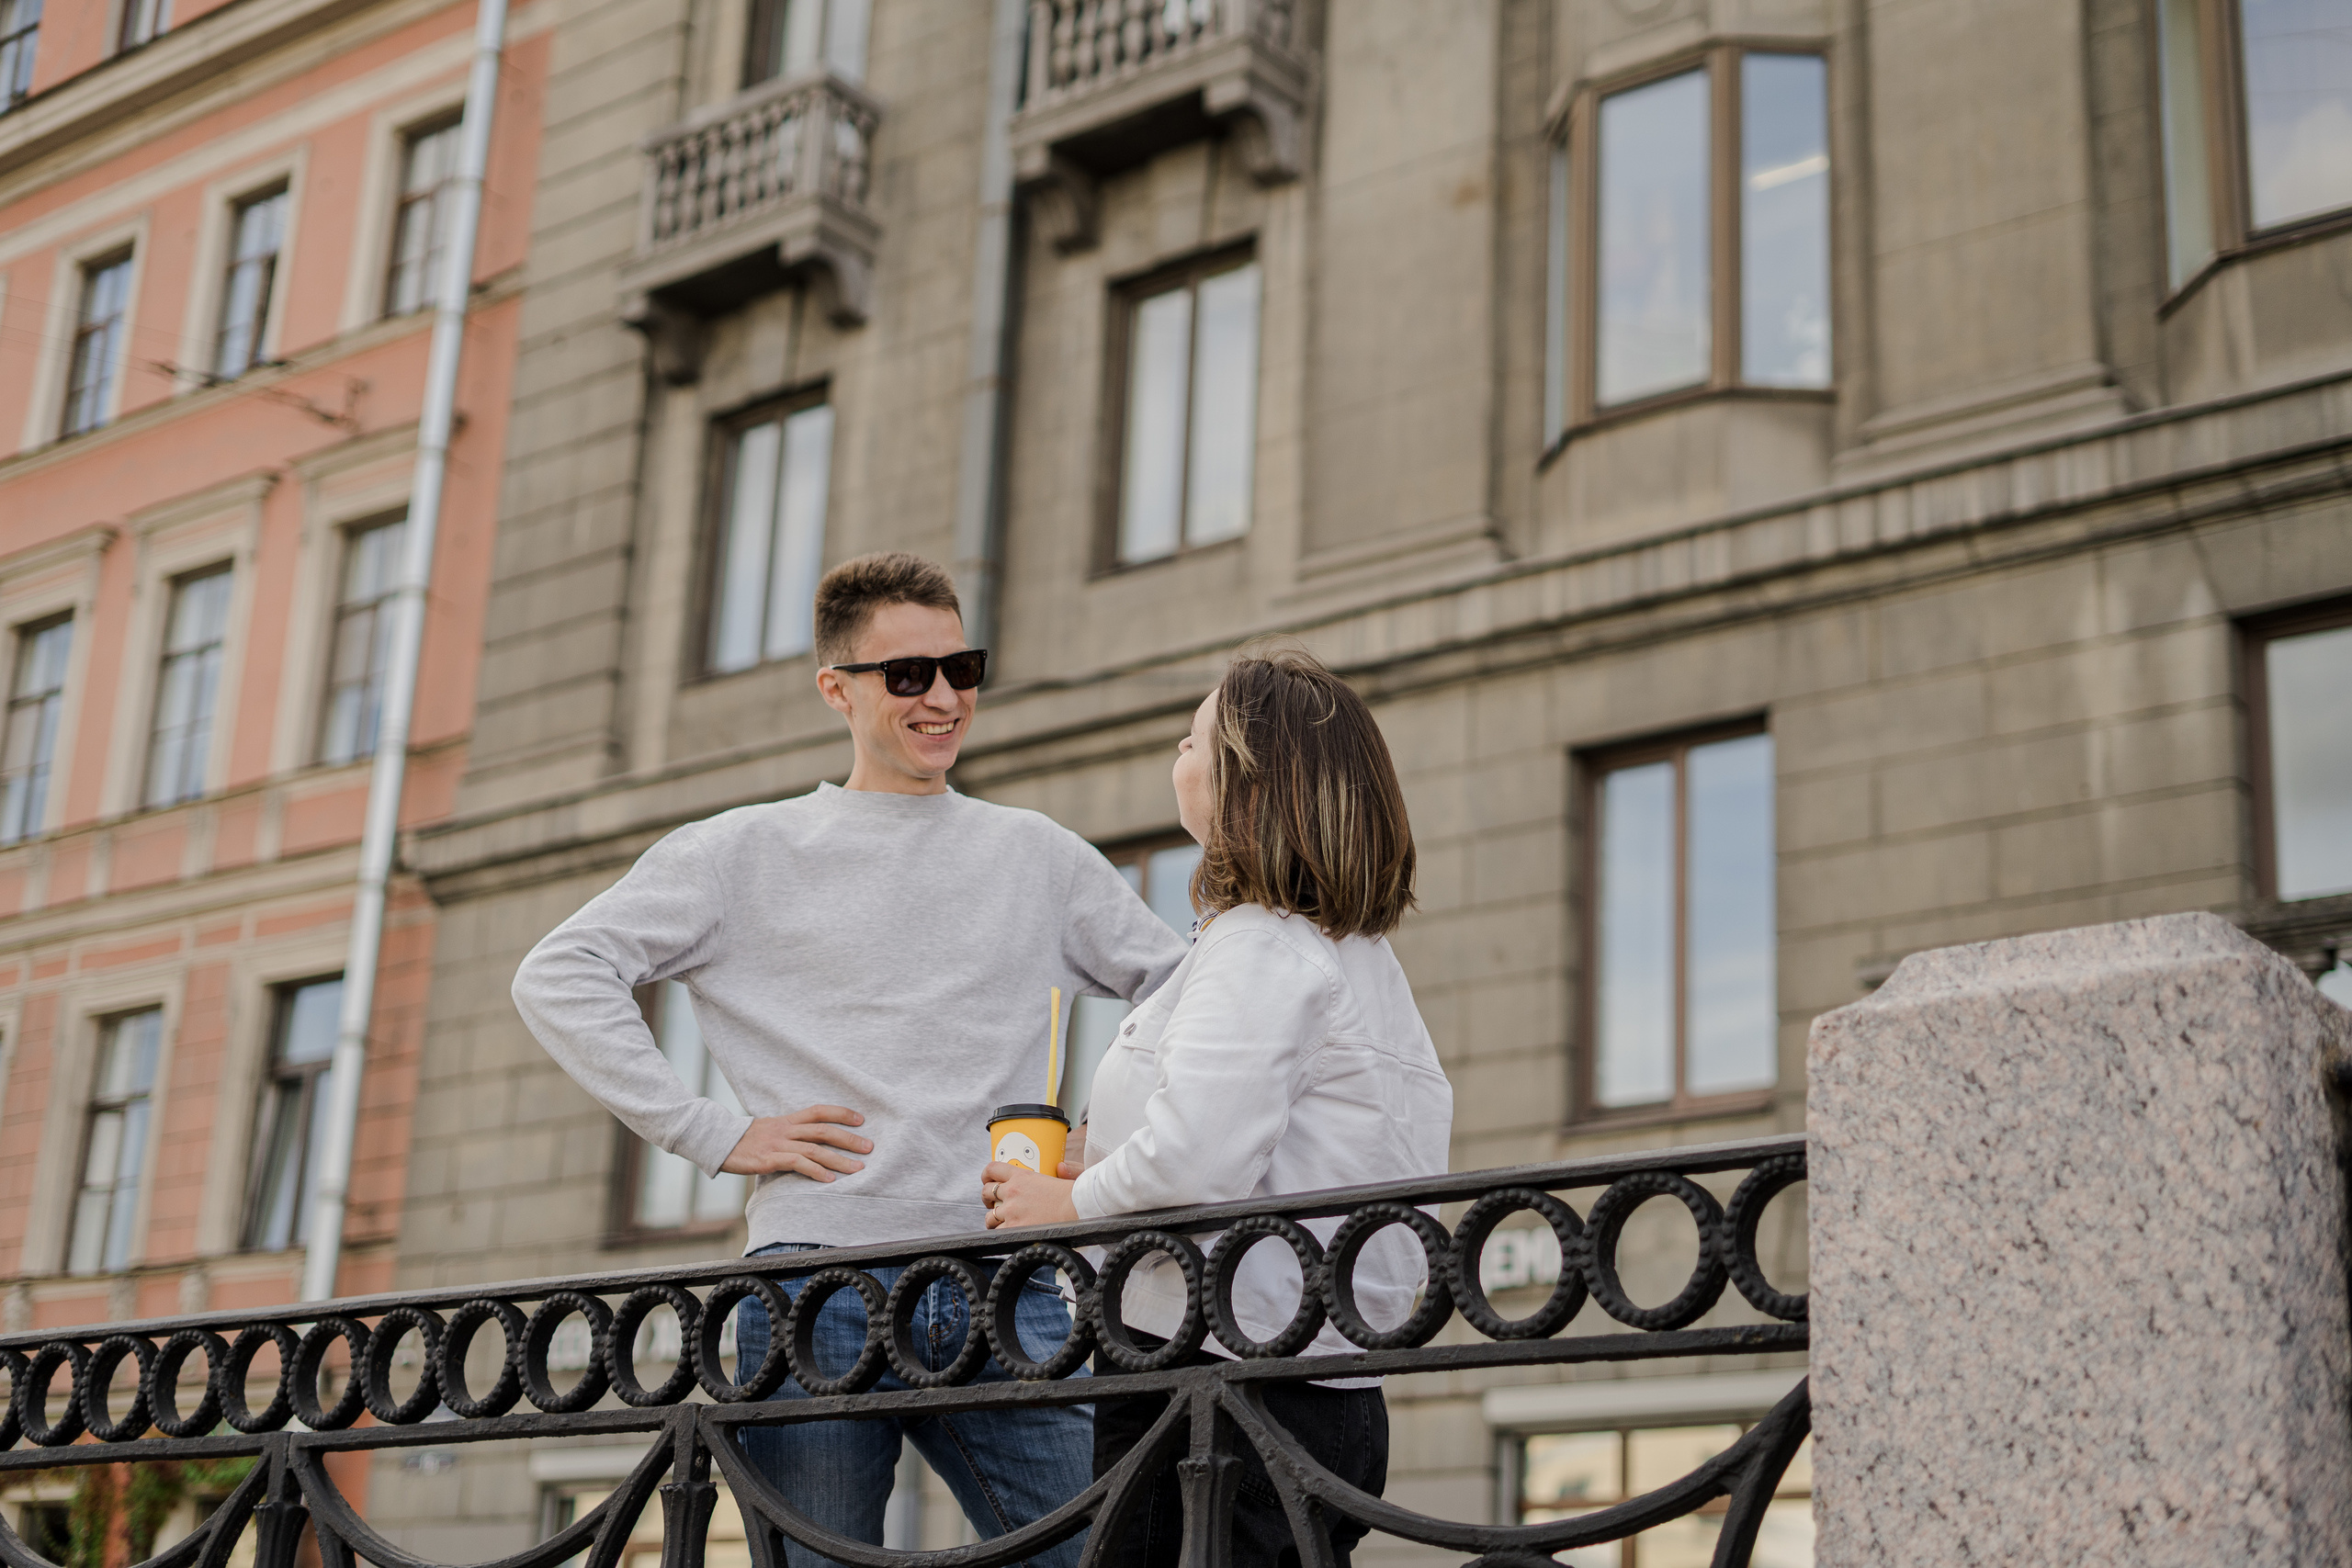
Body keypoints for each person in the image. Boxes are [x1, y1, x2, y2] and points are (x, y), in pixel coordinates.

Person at [513, 551, 1189, 1568]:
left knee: (1104, 1553)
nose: (944, 697)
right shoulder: (740, 851)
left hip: (1003, 1276)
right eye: (908, 674)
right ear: (837, 689)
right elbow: (559, 973)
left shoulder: (1037, 854)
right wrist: (710, 1132)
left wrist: (1105, 1135)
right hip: (813, 1285)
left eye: (961, 668)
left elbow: (1185, 991)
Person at [982, 640, 1454, 1568]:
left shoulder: (1257, 944)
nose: (1180, 754)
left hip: (1217, 1382)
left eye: (1195, 739)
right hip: (1316, 1377)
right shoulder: (1354, 955)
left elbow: (1198, 1156)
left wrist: (1065, 1202)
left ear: (1248, 780)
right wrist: (1106, 1158)